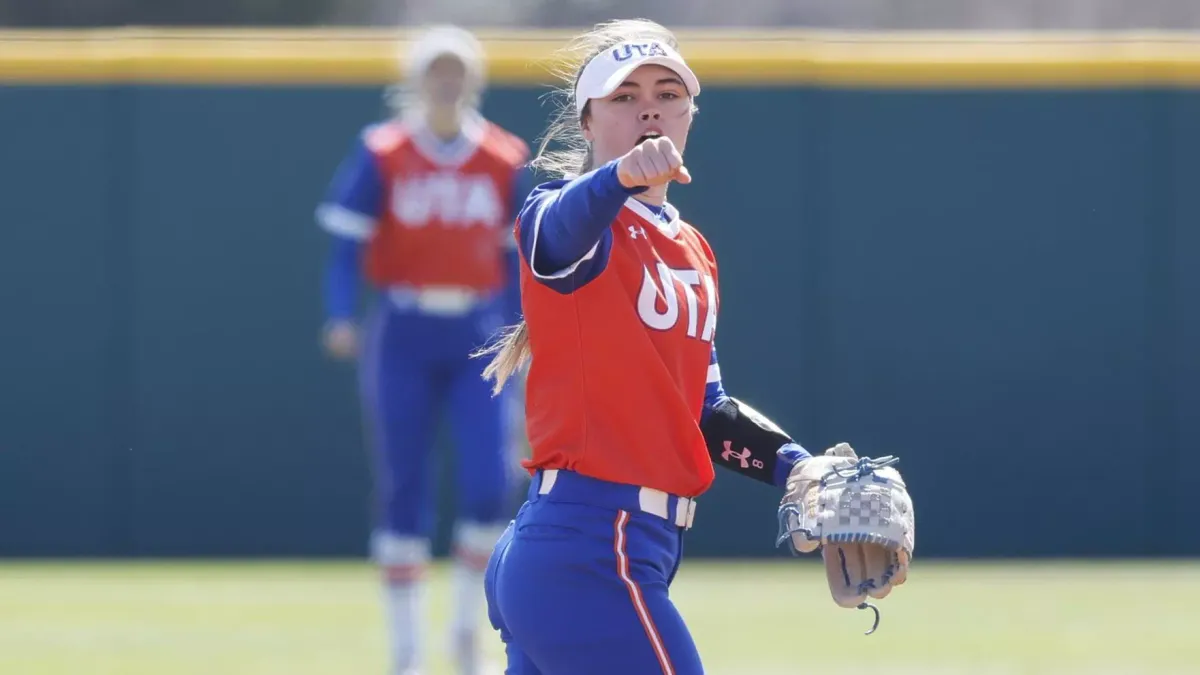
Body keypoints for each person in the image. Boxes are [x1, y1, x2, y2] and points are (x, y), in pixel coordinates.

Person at [469, 18, 820, 674]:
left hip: (619, 548)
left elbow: (705, 408)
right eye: (624, 97)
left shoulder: (692, 249)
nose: (649, 106)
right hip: (590, 546)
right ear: (587, 121)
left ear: (690, 113)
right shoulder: (568, 214)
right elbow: (548, 237)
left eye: (667, 93)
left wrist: (793, 464)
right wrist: (617, 179)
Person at [315, 24, 532, 675]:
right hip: (404, 326)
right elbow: (346, 245)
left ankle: (469, 630)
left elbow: (520, 258)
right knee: (403, 486)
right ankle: (406, 651)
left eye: (456, 69)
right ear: (415, 78)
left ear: (474, 78)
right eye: (435, 69)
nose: (446, 80)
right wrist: (339, 313)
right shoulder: (383, 151)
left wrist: (528, 335)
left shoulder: (502, 156)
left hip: (477, 331)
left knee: (489, 482)